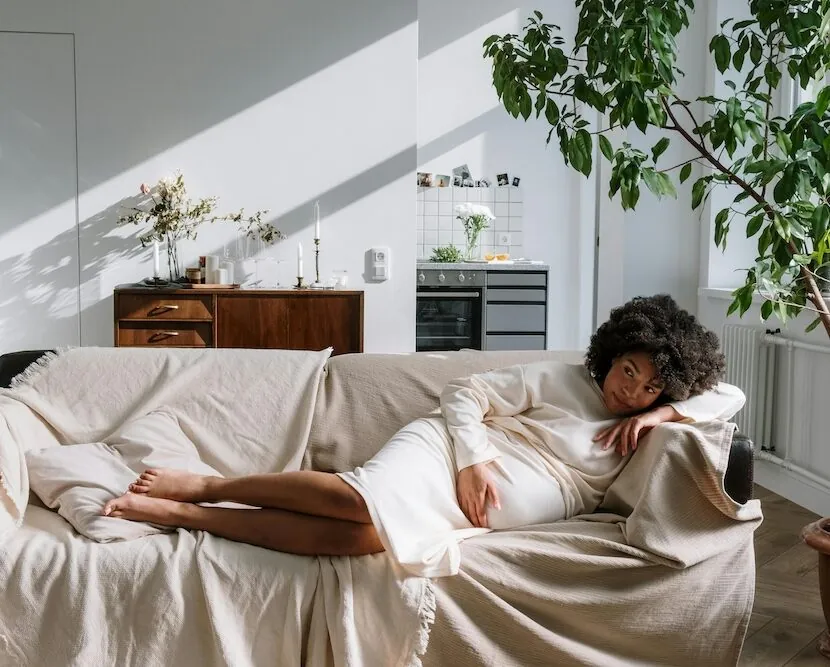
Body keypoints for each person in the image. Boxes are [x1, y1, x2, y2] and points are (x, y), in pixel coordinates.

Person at [102, 294, 745, 577]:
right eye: (626, 371)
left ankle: (186, 516)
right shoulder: (563, 378)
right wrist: (473, 460)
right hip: (451, 452)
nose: (627, 392)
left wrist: (661, 417)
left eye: (648, 387)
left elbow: (731, 394)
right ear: (613, 352)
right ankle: (209, 486)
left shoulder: (655, 412)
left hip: (485, 508)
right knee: (359, 501)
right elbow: (463, 395)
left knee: (363, 541)